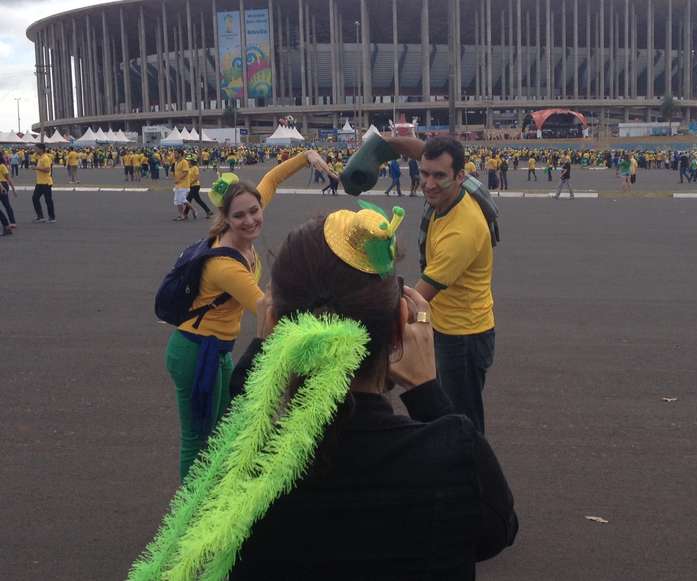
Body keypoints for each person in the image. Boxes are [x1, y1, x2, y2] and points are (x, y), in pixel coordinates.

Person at [129, 203, 517, 581]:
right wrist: (427, 392)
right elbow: (497, 530)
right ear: (399, 327)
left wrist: (260, 356)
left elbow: (232, 439)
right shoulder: (450, 452)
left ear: (278, 326)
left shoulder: (249, 470)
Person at [164, 149, 336, 480]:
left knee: (220, 431)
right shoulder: (225, 265)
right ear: (225, 218)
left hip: (218, 349)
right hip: (196, 351)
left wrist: (307, 157)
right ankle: (190, 515)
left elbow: (271, 179)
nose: (251, 220)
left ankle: (211, 497)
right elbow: (268, 310)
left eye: (255, 211)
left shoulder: (244, 229)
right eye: (240, 216)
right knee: (198, 438)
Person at [344, 136, 497, 433]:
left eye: (439, 176)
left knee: (462, 422)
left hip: (462, 336)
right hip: (444, 324)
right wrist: (378, 147)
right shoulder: (454, 189)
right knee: (442, 415)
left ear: (460, 177)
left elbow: (417, 298)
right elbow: (417, 148)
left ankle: (472, 474)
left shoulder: (462, 233)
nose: (428, 183)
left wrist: (366, 308)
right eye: (424, 173)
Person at [32, 143, 55, 223]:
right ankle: (40, 216)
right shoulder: (40, 157)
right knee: (35, 198)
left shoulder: (45, 158)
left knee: (48, 200)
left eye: (36, 148)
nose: (34, 150)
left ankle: (52, 217)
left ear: (41, 149)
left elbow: (47, 169)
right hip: (40, 182)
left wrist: (37, 168)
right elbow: (34, 155)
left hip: (46, 183)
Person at [172, 149, 191, 221]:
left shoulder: (184, 162)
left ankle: (190, 211)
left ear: (180, 154)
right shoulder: (176, 162)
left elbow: (185, 172)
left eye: (176, 153)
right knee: (177, 201)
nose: (174, 155)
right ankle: (182, 215)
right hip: (177, 184)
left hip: (184, 184)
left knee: (181, 200)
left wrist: (178, 179)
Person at [0, 157, 17, 230]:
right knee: (6, 204)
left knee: (6, 204)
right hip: (2, 185)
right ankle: (10, 223)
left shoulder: (2, 166)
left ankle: (12, 222)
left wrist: (13, 189)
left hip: (3, 185)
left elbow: (8, 178)